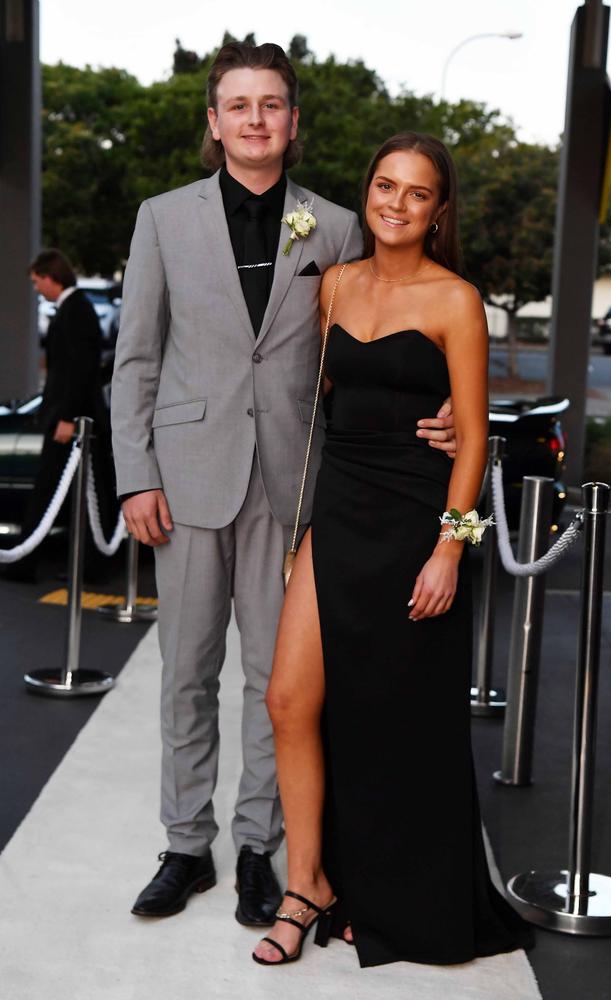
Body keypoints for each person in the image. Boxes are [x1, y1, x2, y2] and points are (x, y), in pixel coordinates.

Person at [111, 44, 456, 927]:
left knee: (277, 681)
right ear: (214, 122)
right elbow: (137, 358)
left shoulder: (337, 227)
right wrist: (134, 477)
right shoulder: (163, 219)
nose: (256, 119)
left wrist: (446, 405)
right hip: (183, 484)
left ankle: (259, 846)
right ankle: (186, 844)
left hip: (296, 487)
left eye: (272, 105)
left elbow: (383, 337)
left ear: (293, 123)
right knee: (186, 672)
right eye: (239, 105)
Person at [254, 132, 533, 967]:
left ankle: (404, 894)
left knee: (400, 721)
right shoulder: (333, 284)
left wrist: (453, 551)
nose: (397, 203)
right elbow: (331, 408)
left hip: (420, 524)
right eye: (385, 185)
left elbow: (476, 441)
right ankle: (308, 883)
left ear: (438, 210)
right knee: (288, 699)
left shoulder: (457, 301)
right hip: (337, 513)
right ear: (367, 192)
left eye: (417, 193)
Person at [2, 249, 114, 583]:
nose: (36, 288)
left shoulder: (76, 310)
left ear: (51, 277)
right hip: (76, 420)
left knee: (58, 492)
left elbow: (79, 370)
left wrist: (67, 417)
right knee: (83, 496)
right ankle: (83, 567)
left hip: (74, 423)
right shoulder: (73, 308)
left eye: (37, 281)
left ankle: (27, 563)